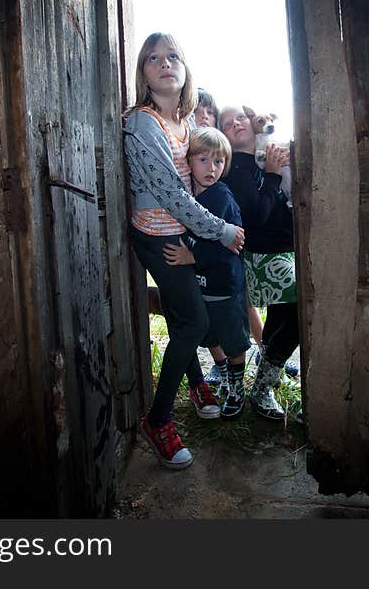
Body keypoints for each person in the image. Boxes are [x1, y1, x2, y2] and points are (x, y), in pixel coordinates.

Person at [123, 33, 245, 469]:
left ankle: (196, 381)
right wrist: (222, 231)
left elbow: (205, 173)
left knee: (181, 312)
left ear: (185, 68)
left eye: (173, 56)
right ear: (143, 73)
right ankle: (158, 420)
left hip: (186, 233)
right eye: (153, 58)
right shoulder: (142, 123)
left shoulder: (189, 124)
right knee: (194, 320)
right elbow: (172, 196)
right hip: (160, 234)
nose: (164, 63)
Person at [218, 106, 300, 422]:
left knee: (284, 314)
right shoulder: (235, 169)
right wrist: (273, 176)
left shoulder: (273, 151)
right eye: (226, 123)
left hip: (291, 244)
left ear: (253, 124)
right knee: (296, 309)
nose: (235, 123)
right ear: (224, 136)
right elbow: (255, 217)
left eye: (240, 118)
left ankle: (267, 364)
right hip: (263, 254)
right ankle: (264, 384)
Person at [163, 127, 251, 419]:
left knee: (233, 338)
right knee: (209, 335)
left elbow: (229, 246)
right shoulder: (186, 196)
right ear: (188, 161)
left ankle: (237, 386)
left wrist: (192, 256)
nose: (211, 168)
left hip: (224, 286)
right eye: (203, 160)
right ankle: (223, 372)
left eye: (218, 161)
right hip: (201, 286)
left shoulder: (221, 197)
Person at [187, 88, 230, 390]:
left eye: (210, 112)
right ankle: (221, 365)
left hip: (221, 246)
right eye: (197, 111)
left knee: (232, 306)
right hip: (195, 249)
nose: (204, 116)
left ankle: (243, 360)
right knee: (200, 310)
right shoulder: (189, 157)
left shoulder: (217, 179)